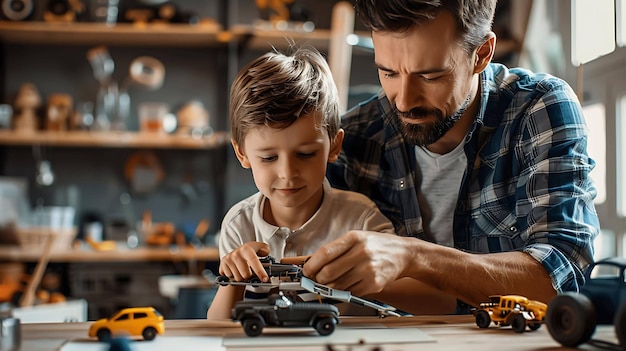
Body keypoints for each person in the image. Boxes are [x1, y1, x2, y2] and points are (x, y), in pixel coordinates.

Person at [302, 0, 600, 315]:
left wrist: (414, 257)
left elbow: (560, 279)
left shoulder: (538, 108)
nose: (404, 101)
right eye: (388, 73)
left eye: (430, 76)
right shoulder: (354, 138)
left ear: (482, 53)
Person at [206, 46, 394, 320]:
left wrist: (363, 274)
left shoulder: (361, 219)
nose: (287, 173)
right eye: (269, 157)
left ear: (334, 146)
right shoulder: (239, 225)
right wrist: (232, 279)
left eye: (305, 154)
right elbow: (218, 328)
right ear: (242, 154)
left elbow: (433, 300)